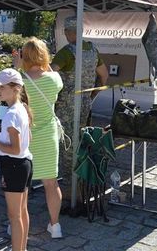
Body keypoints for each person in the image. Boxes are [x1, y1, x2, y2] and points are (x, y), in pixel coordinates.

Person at [50, 16, 108, 214]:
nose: (66, 34)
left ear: (69, 32)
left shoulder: (66, 53)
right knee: (82, 145)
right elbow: (104, 76)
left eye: (67, 31)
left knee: (67, 149)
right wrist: (91, 96)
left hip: (66, 107)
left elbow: (49, 77)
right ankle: (81, 187)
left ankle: (72, 193)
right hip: (84, 105)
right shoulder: (93, 50)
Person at [13, 37, 64, 238]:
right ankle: (55, 225)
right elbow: (50, 71)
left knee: (21, 185)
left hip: (27, 137)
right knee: (51, 184)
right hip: (48, 136)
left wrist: (17, 67)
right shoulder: (55, 79)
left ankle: (17, 226)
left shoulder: (19, 81)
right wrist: (43, 61)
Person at [0, 68, 33, 251]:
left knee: (15, 216)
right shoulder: (21, 108)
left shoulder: (11, 113)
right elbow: (26, 141)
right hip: (23, 163)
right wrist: (2, 135)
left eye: (1, 87)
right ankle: (22, 248)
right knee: (21, 212)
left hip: (13, 165)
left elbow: (15, 148)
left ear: (15, 88)